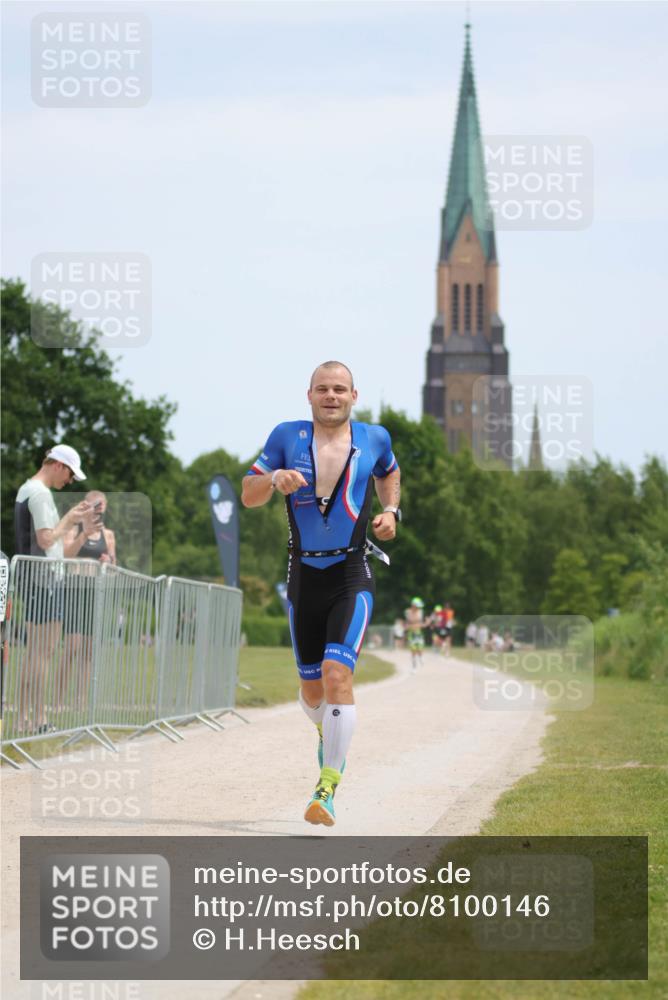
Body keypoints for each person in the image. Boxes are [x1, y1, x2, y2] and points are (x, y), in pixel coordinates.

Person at [241, 361, 401, 826]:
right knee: (312, 690)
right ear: (308, 395)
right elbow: (248, 494)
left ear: (354, 395)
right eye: (322, 389)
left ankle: (326, 786)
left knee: (337, 674)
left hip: (352, 571)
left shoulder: (375, 438)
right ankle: (327, 731)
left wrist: (392, 510)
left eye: (339, 389)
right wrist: (273, 481)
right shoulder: (286, 437)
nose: (331, 396)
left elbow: (389, 473)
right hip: (303, 575)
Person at [13, 444, 94, 732]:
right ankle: (39, 719)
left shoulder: (28, 489)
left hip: (36, 578)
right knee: (42, 653)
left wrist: (79, 529)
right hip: (43, 580)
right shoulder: (40, 494)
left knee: (34, 653)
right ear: (58, 465)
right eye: (70, 474)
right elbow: (47, 540)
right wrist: (70, 519)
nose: (69, 481)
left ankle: (24, 719)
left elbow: (57, 547)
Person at [57, 491, 117, 713]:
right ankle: (59, 700)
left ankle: (80, 701)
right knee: (72, 647)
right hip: (75, 588)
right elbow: (66, 555)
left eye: (103, 505)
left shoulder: (108, 535)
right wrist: (83, 535)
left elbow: (113, 564)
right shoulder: (74, 529)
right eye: (96, 505)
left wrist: (108, 561)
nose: (100, 509)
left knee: (89, 651)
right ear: (87, 505)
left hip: (95, 590)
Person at [404, 597, 426, 671]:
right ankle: (414, 666)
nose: (418, 608)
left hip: (418, 632)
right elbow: (410, 621)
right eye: (417, 606)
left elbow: (418, 622)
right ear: (413, 605)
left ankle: (420, 658)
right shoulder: (408, 611)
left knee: (420, 648)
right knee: (413, 650)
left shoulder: (420, 611)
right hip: (411, 633)